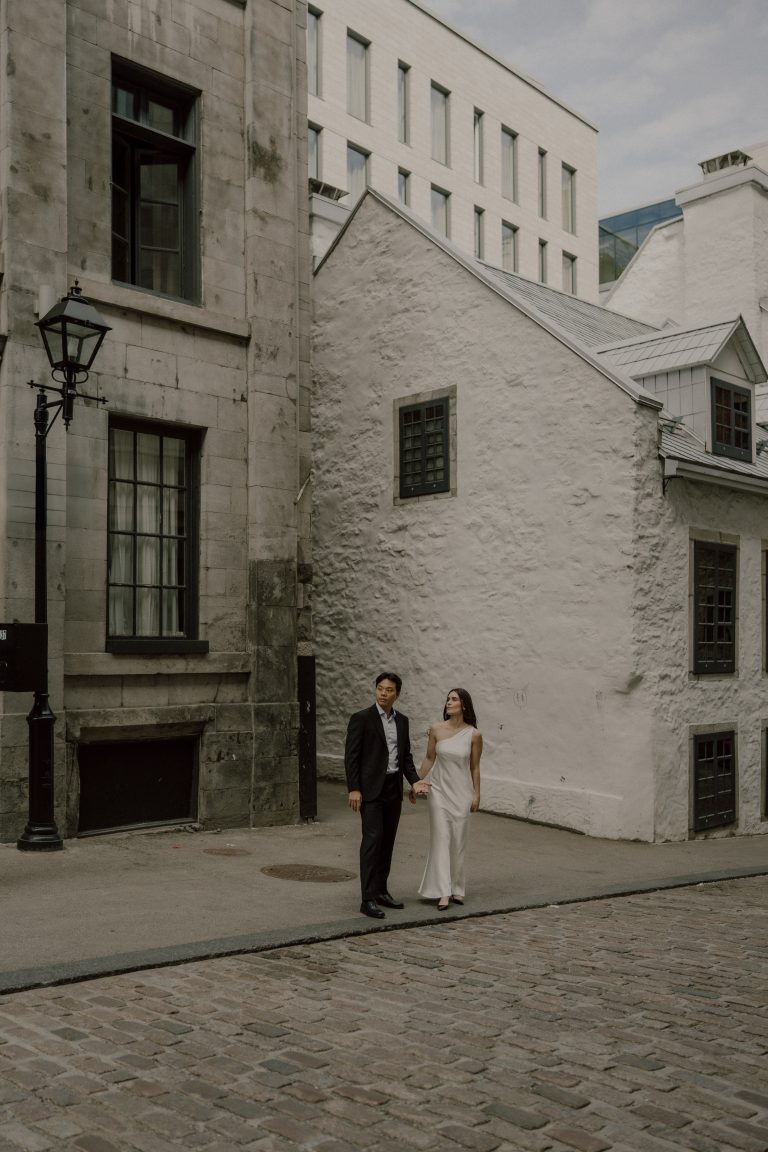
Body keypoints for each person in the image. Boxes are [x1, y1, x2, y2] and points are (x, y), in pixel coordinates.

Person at [345, 672, 429, 918]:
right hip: (370, 789)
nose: (383, 693)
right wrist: (354, 788)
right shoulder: (362, 718)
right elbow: (351, 757)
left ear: (397, 694)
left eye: (389, 690)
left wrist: (415, 781)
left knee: (388, 841)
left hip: (393, 788)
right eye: (380, 688)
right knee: (372, 840)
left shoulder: (402, 721)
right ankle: (367, 898)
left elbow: (405, 757)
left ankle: (381, 890)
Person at [415, 687, 483, 910]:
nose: (449, 702)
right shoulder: (436, 729)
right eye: (447, 699)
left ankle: (457, 888)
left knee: (459, 841)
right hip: (439, 791)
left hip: (462, 793)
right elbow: (429, 758)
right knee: (441, 839)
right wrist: (415, 782)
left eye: (454, 699)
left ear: (464, 704)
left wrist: (476, 794)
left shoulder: (474, 735)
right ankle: (443, 892)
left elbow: (475, 767)